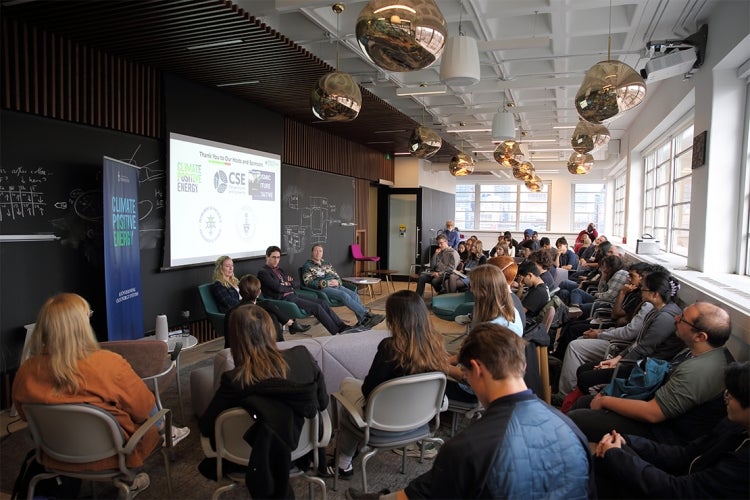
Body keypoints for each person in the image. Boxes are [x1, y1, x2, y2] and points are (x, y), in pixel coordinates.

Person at [346, 324, 594, 500]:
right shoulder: (571, 428)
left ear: (476, 369)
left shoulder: (469, 446)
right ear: (523, 364)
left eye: (465, 374)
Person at [12, 293, 188, 496]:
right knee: (147, 405)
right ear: (82, 325)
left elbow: (26, 415)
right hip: (112, 456)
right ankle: (166, 434)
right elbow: (142, 408)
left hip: (54, 455)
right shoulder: (108, 363)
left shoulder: (27, 371)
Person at [199, 304, 328, 498]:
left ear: (234, 338)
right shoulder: (302, 356)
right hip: (303, 450)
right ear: (270, 329)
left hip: (248, 459)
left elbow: (207, 427)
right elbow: (323, 403)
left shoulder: (234, 380)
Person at [568, 301, 735, 444]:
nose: (676, 319)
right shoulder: (705, 353)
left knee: (579, 417)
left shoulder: (699, 371)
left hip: (665, 434)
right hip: (660, 413)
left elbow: (652, 413)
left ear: (700, 336)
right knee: (585, 402)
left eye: (682, 319)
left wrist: (606, 401)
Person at [330, 291, 448, 478]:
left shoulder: (389, 346)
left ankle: (343, 462)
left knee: (346, 388)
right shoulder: (436, 344)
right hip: (420, 421)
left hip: (381, 420)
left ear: (394, 319)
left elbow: (368, 390)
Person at [593, 361, 749, 499]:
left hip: (680, 489)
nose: (725, 398)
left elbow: (681, 490)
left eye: (731, 395)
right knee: (612, 454)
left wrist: (616, 456)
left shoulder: (743, 463)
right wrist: (628, 441)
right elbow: (683, 454)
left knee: (610, 461)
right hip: (681, 480)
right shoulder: (732, 426)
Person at [258, 246, 351, 335]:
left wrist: (286, 284)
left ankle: (341, 326)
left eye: (278, 257)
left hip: (293, 295)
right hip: (283, 298)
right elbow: (277, 288)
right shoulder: (263, 272)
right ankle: (337, 331)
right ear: (267, 257)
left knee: (322, 302)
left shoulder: (280, 270)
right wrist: (287, 284)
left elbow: (296, 283)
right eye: (273, 257)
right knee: (316, 307)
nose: (276, 260)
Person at [213, 257, 311, 340]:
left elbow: (248, 294)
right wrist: (252, 302)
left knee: (272, 316)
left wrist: (253, 301)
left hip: (248, 306)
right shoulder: (218, 285)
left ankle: (281, 344)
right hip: (237, 312)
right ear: (220, 268)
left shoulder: (236, 282)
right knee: (267, 304)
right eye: (227, 266)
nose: (231, 268)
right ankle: (291, 324)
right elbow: (230, 303)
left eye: (232, 265)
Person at [302, 244, 384, 328]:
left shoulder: (327, 264)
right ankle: (366, 315)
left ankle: (362, 321)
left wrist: (338, 282)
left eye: (320, 251)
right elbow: (308, 282)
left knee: (354, 295)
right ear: (312, 252)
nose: (318, 253)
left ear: (322, 253)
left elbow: (337, 277)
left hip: (336, 286)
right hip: (324, 289)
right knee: (343, 295)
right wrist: (325, 283)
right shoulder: (307, 266)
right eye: (316, 251)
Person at [224, 274, 310, 344]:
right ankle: (290, 324)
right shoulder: (260, 314)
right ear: (259, 292)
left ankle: (290, 324)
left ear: (240, 292)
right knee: (271, 312)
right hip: (255, 354)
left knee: (268, 305)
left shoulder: (230, 313)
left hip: (232, 354)